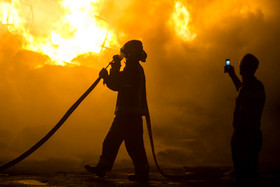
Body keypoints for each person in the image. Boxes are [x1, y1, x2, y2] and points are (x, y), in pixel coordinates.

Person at [85, 40, 149, 182]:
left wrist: (108, 74)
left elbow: (117, 84)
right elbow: (119, 82)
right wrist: (114, 70)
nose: (124, 56)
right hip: (132, 115)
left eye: (126, 53)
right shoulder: (134, 68)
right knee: (134, 146)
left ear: (131, 54)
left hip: (128, 115)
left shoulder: (132, 69)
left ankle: (103, 168)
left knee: (112, 141)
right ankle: (142, 173)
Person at [225, 54, 265, 186]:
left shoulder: (252, 88)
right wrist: (232, 75)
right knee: (248, 173)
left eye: (241, 64)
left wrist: (236, 136)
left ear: (246, 68)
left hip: (245, 137)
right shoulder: (253, 86)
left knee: (245, 176)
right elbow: (241, 90)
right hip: (249, 136)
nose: (240, 66)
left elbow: (245, 113)